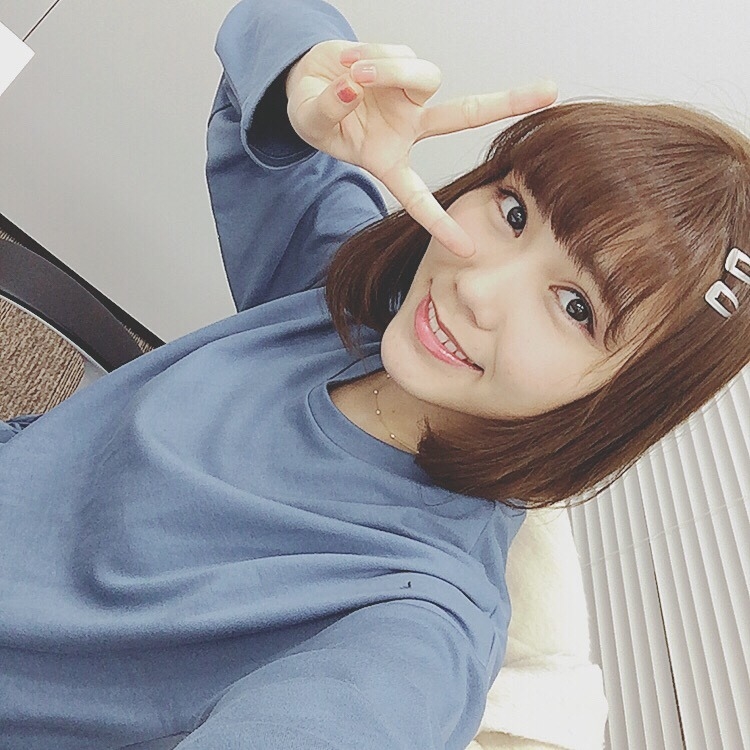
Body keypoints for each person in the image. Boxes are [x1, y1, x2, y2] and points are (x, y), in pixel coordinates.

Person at [1, 0, 748, 747]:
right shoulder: (346, 303)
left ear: (622, 398)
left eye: (577, 307)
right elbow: (272, 21)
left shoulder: (413, 623)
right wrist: (316, 81)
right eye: (515, 213)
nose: (475, 285)